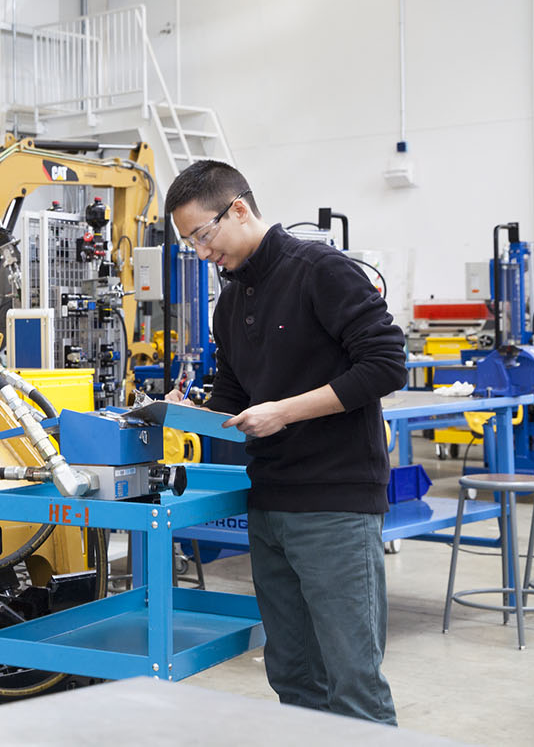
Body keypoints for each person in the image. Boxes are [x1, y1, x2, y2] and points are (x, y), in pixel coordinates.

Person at [164, 160, 404, 726]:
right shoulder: (231, 302)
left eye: (203, 235)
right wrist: (181, 416)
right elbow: (232, 391)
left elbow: (387, 364)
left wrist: (285, 413)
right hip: (270, 502)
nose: (201, 253)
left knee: (353, 680)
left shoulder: (320, 270)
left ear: (239, 209)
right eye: (189, 243)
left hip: (335, 504)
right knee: (293, 673)